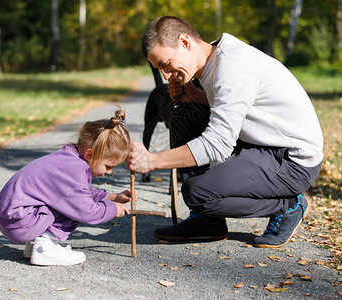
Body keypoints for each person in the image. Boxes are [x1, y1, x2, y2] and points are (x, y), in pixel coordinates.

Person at [128, 16, 323, 248]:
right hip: (262, 145)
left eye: (165, 63)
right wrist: (195, 97)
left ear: (185, 42)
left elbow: (217, 144)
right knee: (185, 113)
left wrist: (152, 160)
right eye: (160, 68)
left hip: (292, 161)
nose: (165, 76)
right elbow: (236, 108)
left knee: (197, 193)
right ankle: (207, 221)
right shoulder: (214, 59)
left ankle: (289, 204)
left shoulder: (232, 67)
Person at [0, 107, 132, 266]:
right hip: (19, 222)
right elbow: (86, 210)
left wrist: (113, 198)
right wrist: (113, 209)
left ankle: (34, 246)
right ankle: (45, 249)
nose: (109, 172)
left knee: (69, 201)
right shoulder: (73, 170)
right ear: (89, 155)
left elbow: (81, 192)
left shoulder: (69, 159)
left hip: (14, 217)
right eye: (108, 166)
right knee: (72, 208)